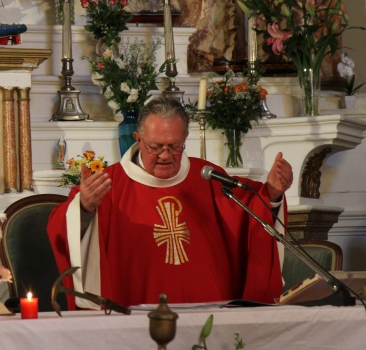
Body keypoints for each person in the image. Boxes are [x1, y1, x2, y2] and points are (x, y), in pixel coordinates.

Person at [48, 97, 293, 309]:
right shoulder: (109, 185)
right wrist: (85, 207)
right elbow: (61, 229)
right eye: (156, 147)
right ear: (138, 139)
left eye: (174, 147)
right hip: (133, 317)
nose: (165, 155)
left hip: (209, 316)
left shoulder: (207, 177)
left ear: (185, 137)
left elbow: (249, 213)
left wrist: (271, 194)